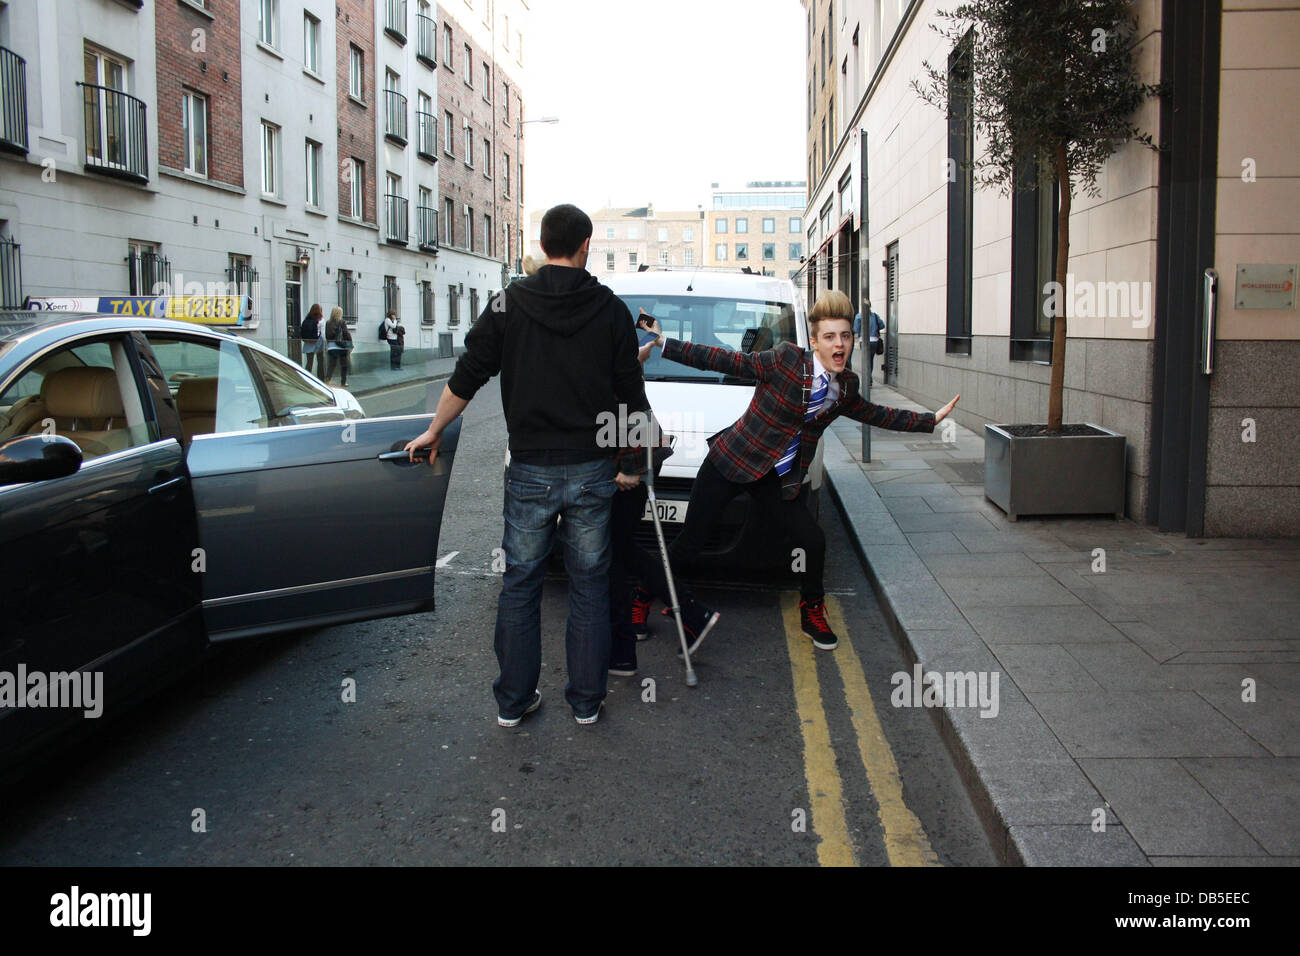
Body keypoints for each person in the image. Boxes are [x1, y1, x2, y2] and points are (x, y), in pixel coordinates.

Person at [404, 203, 650, 727]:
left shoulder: (508, 303)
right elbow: (632, 396)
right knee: (589, 587)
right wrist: (632, 463)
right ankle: (586, 702)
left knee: (520, 585)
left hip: (530, 470)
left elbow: (468, 373)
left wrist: (435, 429)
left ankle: (514, 703)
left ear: (541, 245)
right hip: (592, 470)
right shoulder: (611, 310)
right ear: (586, 246)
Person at [639, 289, 959, 651]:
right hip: (732, 460)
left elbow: (876, 414)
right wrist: (665, 342)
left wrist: (928, 420)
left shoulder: (845, 387)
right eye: (830, 337)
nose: (839, 344)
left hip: (774, 477)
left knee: (812, 539)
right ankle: (640, 597)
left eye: (845, 336)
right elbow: (727, 360)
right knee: (690, 544)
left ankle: (812, 611)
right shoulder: (786, 360)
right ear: (815, 341)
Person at [324, 307, 351, 387]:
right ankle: (343, 382)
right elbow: (346, 333)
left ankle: (327, 381)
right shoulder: (342, 322)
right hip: (341, 346)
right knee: (344, 365)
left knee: (331, 365)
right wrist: (349, 344)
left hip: (332, 346)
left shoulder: (328, 323)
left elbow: (327, 335)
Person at [300, 304, 325, 377]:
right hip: (318, 342)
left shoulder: (306, 319)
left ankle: (307, 377)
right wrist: (325, 344)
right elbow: (323, 333)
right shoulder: (321, 320)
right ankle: (320, 378)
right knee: (320, 362)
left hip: (308, 342)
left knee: (309, 362)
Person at [864, 300, 886, 383]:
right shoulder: (875, 316)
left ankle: (867, 378)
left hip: (864, 340)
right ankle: (869, 377)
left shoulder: (859, 316)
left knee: (865, 359)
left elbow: (855, 328)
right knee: (870, 359)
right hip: (874, 340)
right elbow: (882, 325)